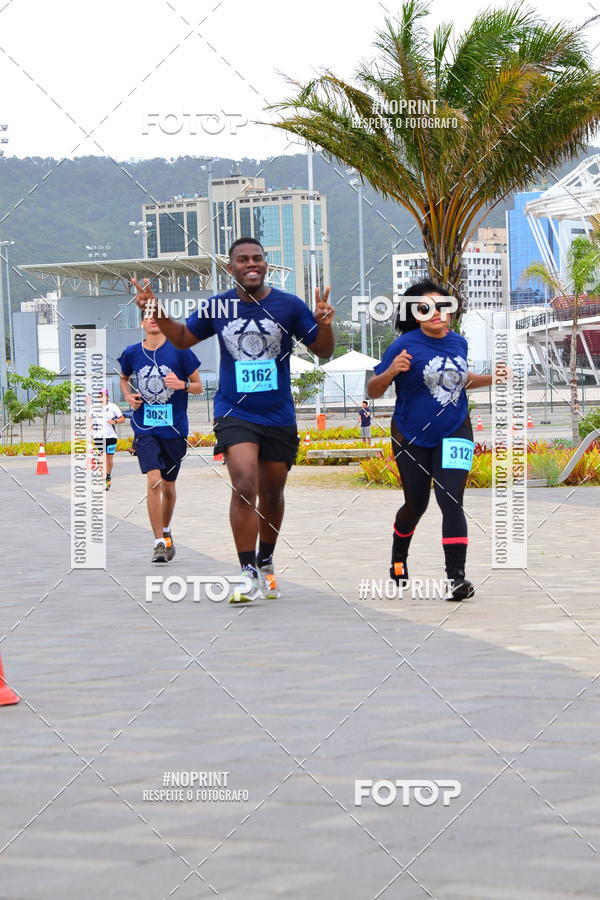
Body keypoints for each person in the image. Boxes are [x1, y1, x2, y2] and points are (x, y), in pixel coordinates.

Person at [132, 237, 335, 602]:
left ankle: (267, 560)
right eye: (243, 259)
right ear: (231, 267)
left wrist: (324, 323)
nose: (251, 264)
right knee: (244, 484)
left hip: (277, 414)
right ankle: (246, 571)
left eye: (257, 258)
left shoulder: (288, 305)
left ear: (266, 265)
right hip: (234, 410)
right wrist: (155, 311)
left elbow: (323, 349)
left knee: (273, 492)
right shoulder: (218, 307)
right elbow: (180, 338)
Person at [368, 279, 496, 601]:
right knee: (416, 504)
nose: (436, 313)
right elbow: (373, 390)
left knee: (451, 498)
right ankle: (399, 557)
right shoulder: (403, 346)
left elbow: (460, 379)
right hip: (410, 435)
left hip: (455, 430)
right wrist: (391, 371)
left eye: (443, 306)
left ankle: (457, 578)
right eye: (426, 308)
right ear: (416, 313)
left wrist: (495, 377)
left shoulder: (459, 344)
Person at [118, 308, 203, 563]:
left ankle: (166, 531)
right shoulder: (132, 353)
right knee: (153, 480)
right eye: (148, 315)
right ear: (142, 322)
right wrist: (127, 395)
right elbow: (123, 378)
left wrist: (183, 385)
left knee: (168, 484)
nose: (153, 318)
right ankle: (158, 542)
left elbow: (198, 386)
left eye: (158, 315)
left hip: (174, 429)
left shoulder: (180, 350)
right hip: (145, 427)